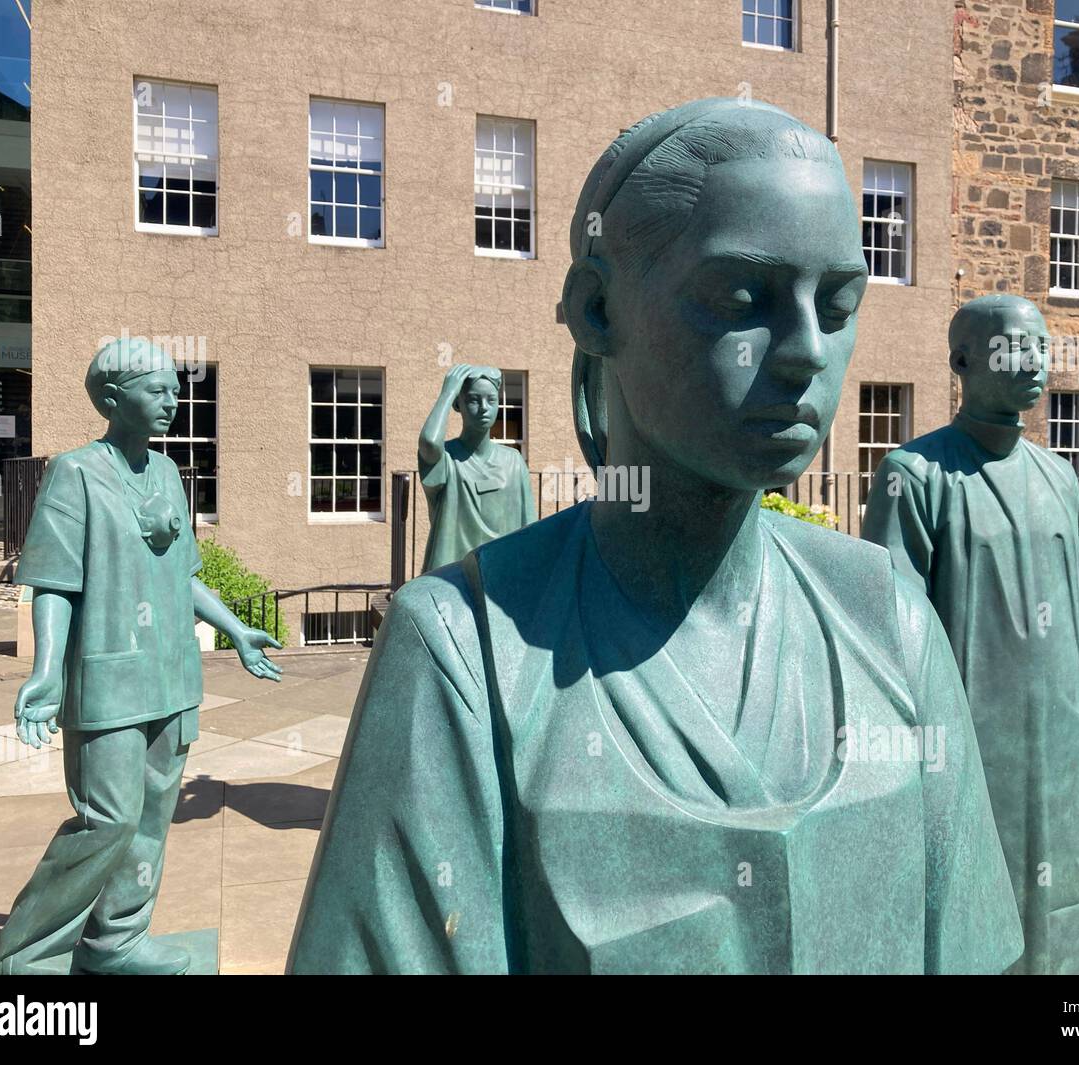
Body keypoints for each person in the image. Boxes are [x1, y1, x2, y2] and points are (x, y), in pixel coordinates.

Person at [288, 99, 1023, 975]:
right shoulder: (465, 652)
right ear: (599, 309)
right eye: (742, 297)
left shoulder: (891, 620)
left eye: (836, 304)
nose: (805, 352)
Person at [0, 338, 283, 976]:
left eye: (177, 391)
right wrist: (46, 672)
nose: (173, 403)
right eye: (158, 391)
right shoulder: (76, 473)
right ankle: (30, 952)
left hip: (173, 675)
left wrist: (236, 630)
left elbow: (182, 576)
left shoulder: (169, 473)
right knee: (108, 821)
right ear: (113, 398)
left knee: (152, 818)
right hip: (109, 678)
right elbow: (55, 583)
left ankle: (116, 942)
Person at [862, 294, 1079, 975]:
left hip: (1059, 743)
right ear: (962, 362)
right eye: (1014, 346)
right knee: (975, 907)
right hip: (968, 746)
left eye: (1041, 346)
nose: (1034, 362)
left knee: (1063, 901)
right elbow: (888, 637)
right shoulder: (914, 478)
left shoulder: (1059, 476)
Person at [418, 364, 534, 572]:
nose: (483, 408)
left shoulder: (514, 461)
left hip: (502, 575)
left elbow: (530, 530)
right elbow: (429, 441)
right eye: (473, 400)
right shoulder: (447, 459)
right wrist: (448, 393)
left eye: (491, 400)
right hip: (452, 579)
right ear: (458, 404)